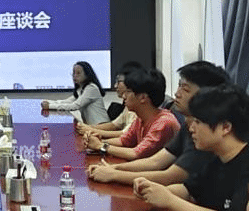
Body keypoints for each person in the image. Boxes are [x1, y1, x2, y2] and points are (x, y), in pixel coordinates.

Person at [135, 84, 249, 211]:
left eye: (198, 122)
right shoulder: (216, 155)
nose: (191, 128)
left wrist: (170, 200)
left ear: (225, 127)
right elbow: (189, 190)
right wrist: (152, 190)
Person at [88, 61, 230, 186]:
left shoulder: (204, 133)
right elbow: (155, 161)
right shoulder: (189, 126)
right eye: (179, 86)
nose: (177, 93)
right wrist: (113, 168)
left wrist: (114, 173)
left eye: (185, 89)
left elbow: (169, 176)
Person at [83, 66, 179, 162]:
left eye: (128, 92)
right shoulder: (141, 118)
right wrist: (97, 141)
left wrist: (101, 145)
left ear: (143, 97)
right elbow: (124, 141)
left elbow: (136, 153)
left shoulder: (163, 123)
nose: (124, 96)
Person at [76, 62, 143, 140]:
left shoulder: (138, 107)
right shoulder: (128, 105)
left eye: (118, 82)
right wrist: (89, 128)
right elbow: (114, 125)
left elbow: (125, 134)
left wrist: (91, 131)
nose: (115, 86)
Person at [41, 60, 108, 124]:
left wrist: (50, 106)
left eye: (78, 73)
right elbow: (67, 101)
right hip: (91, 126)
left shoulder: (91, 88)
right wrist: (49, 102)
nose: (75, 76)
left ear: (87, 75)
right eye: (74, 73)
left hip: (101, 126)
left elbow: (75, 106)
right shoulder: (81, 89)